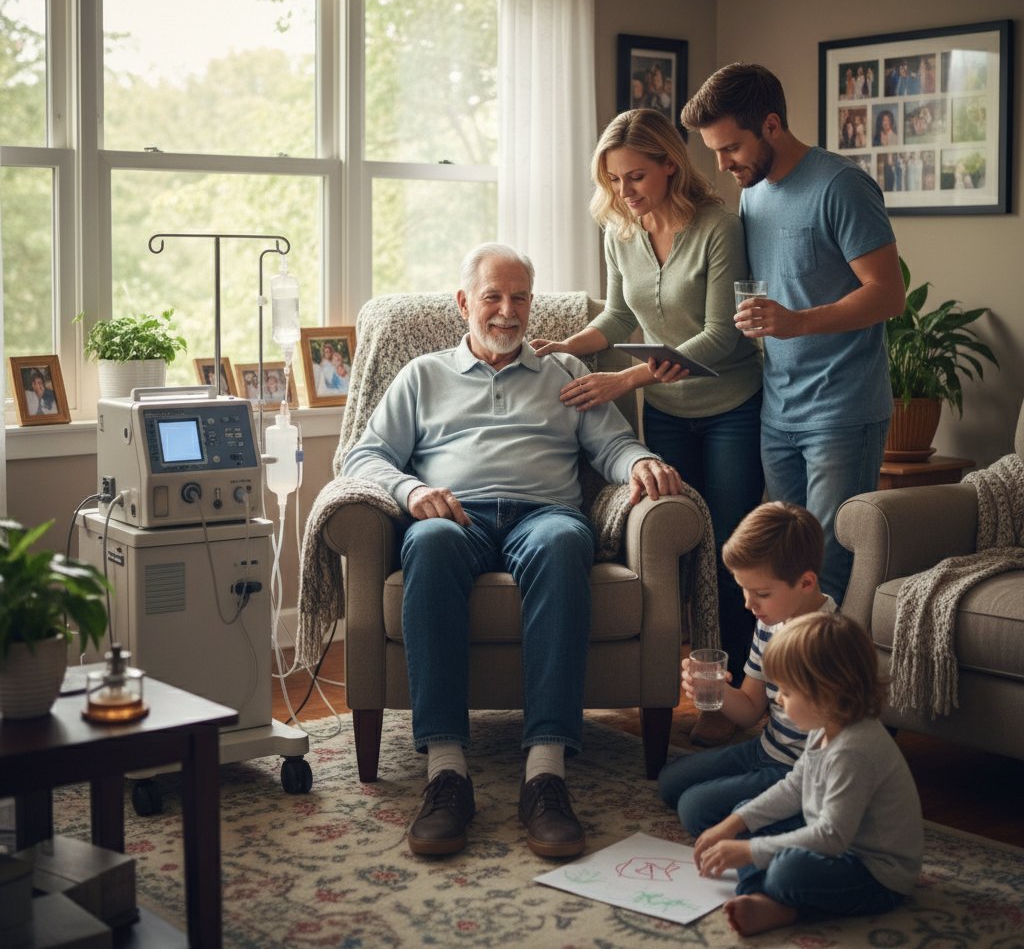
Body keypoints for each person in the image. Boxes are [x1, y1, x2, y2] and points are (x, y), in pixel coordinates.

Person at [343, 242, 683, 859]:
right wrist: (412, 491)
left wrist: (641, 461)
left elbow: (612, 446)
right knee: (429, 542)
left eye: (519, 298)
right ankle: (447, 773)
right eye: (493, 297)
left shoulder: (565, 372)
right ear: (463, 303)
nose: (507, 311)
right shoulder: (422, 376)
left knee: (564, 541)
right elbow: (363, 456)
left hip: (544, 515)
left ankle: (546, 774)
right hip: (457, 515)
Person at [530, 108, 764, 745]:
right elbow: (616, 318)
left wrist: (626, 380)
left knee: (729, 553)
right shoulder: (620, 230)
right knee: (679, 551)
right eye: (613, 179)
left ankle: (735, 700)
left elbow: (720, 336)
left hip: (731, 409)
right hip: (668, 415)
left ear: (669, 165)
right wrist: (566, 347)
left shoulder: (718, 227)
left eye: (635, 176)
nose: (624, 191)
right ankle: (686, 689)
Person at [681, 63, 905, 603]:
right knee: (784, 570)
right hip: (778, 409)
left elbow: (888, 294)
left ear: (772, 125)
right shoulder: (753, 192)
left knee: (826, 571)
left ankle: (830, 664)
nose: (722, 164)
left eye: (731, 147)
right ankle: (783, 665)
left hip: (842, 411)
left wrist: (796, 321)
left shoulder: (841, 186)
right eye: (714, 151)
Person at [694, 611, 923, 937]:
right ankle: (762, 898)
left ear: (825, 693)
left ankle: (784, 906)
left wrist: (750, 852)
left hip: (874, 873)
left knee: (786, 871)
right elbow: (794, 787)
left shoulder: (854, 750)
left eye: (787, 691)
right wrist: (733, 824)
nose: (778, 699)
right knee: (744, 817)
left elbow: (831, 836)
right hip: (835, 842)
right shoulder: (824, 724)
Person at [658, 502, 836, 838]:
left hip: (801, 772)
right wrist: (716, 690)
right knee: (670, 782)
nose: (748, 604)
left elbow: (832, 750)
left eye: (761, 593)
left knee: (694, 809)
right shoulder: (771, 619)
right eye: (743, 589)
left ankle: (807, 823)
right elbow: (751, 710)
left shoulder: (827, 643)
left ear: (806, 582)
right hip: (766, 749)